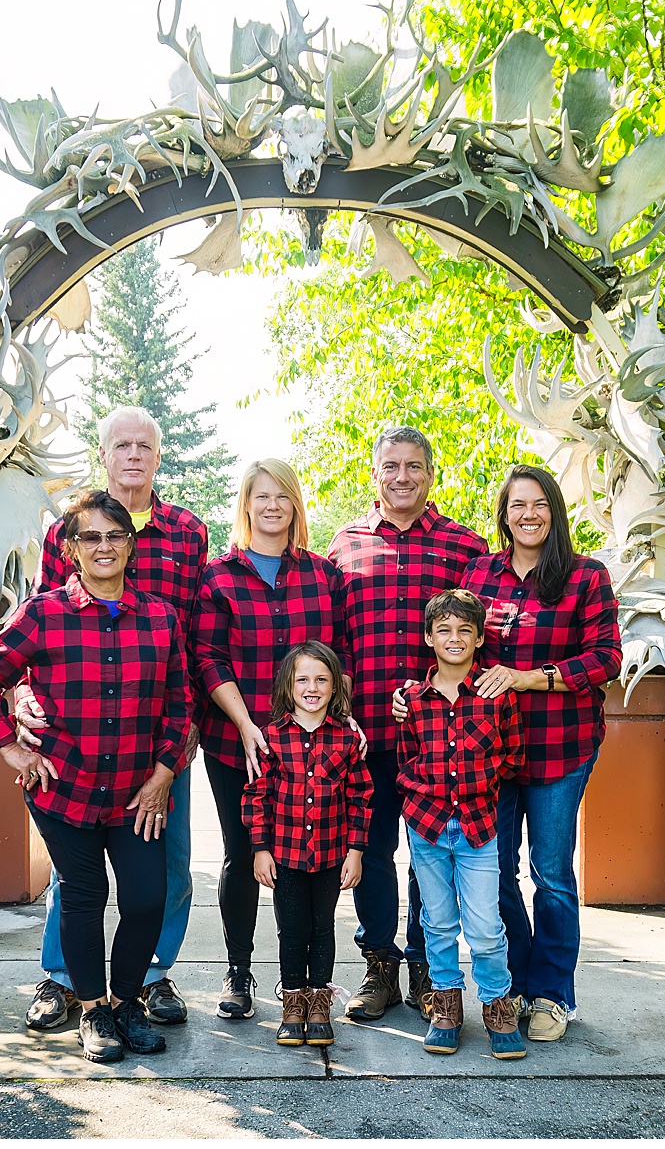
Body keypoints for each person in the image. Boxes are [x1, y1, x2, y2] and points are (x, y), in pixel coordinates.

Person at [0, 489, 189, 1064]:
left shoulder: (160, 618)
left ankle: (126, 1002)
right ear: (70, 548)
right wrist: (11, 750)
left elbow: (179, 702)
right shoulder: (43, 613)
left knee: (145, 900)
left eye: (116, 536)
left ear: (132, 546)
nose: (105, 547)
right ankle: (93, 1012)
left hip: (139, 792)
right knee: (85, 896)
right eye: (92, 537)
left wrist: (165, 772)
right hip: (65, 789)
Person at [25, 407, 209, 1032]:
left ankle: (151, 978)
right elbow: (42, 624)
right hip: (79, 733)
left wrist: (176, 744)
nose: (133, 455)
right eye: (121, 445)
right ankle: (64, 980)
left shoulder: (188, 532)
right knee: (74, 872)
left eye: (145, 446)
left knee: (167, 863)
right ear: (104, 454)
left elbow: (190, 634)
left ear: (159, 456)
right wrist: (25, 701)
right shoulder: (68, 531)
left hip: (157, 729)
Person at [451, 464, 622, 1043]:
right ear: (503, 514)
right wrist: (418, 697)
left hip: (560, 748)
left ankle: (553, 993)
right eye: (517, 505)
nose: (528, 514)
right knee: (494, 871)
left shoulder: (586, 577)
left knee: (551, 875)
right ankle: (517, 981)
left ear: (555, 510)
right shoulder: (479, 575)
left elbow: (605, 659)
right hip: (490, 752)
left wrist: (531, 678)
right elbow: (461, 652)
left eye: (539, 504)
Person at [326, 425, 487, 1021]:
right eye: (391, 465)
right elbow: (333, 640)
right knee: (370, 848)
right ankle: (379, 966)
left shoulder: (463, 548)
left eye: (414, 466)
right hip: (364, 733)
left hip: (438, 740)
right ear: (375, 472)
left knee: (430, 853)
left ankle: (427, 965)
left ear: (430, 473)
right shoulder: (344, 546)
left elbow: (478, 639)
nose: (402, 477)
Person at [193, 458, 349, 1021]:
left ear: (295, 505)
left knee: (305, 862)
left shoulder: (322, 575)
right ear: (246, 505)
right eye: (262, 496)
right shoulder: (218, 577)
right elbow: (207, 658)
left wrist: (343, 715)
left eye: (283, 495)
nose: (273, 506)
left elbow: (341, 656)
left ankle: (306, 982)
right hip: (239, 743)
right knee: (243, 856)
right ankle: (239, 972)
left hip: (313, 748)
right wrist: (244, 723)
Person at [395, 589, 528, 1059]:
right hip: (427, 826)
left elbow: (512, 757)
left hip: (478, 827)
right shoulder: (412, 698)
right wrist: (421, 795)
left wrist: (481, 782)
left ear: (478, 638)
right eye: (444, 631)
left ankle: (497, 1005)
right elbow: (405, 757)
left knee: (486, 925)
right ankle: (446, 1006)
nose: (455, 639)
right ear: (429, 638)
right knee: (438, 921)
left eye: (465, 631)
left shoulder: (496, 695)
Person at [242, 641, 372, 1048]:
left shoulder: (348, 742)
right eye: (303, 679)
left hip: (333, 855)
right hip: (286, 855)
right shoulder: (270, 738)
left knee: (323, 926)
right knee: (293, 928)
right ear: (287, 686)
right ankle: (293, 1002)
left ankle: (319, 1001)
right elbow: (256, 795)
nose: (312, 687)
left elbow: (362, 797)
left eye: (322, 679)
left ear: (335, 687)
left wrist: (356, 851)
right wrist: (260, 848)